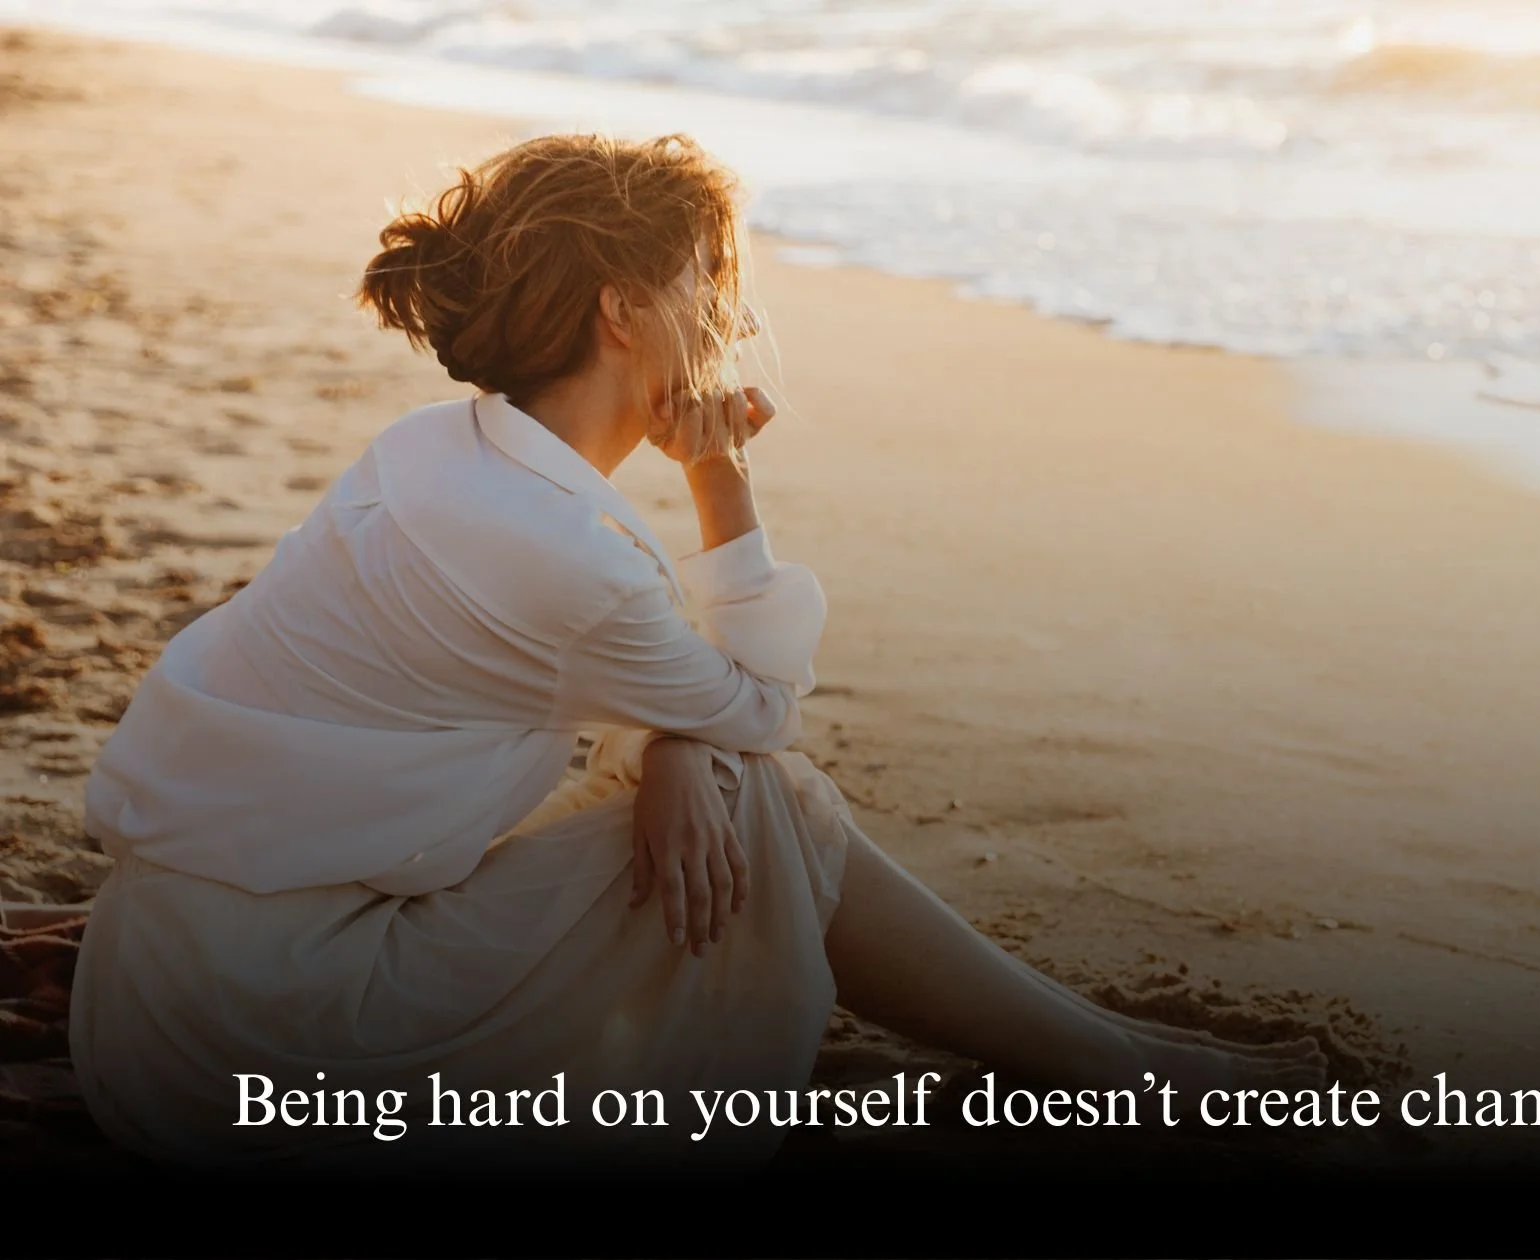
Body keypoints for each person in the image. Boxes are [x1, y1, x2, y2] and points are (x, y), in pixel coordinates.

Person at [66, 132, 1324, 1170]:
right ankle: (1140, 1077)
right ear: (624, 309)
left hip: (155, 996)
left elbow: (558, 672)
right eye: (706, 282)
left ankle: (1125, 1066)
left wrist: (675, 742)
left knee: (717, 774)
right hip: (268, 1053)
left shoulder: (433, 454)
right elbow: (763, 705)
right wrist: (718, 478)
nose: (732, 315)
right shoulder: (568, 553)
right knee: (775, 804)